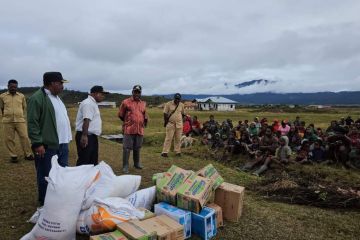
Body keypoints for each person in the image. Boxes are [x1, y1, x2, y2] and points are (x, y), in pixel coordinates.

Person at [27, 72, 72, 205]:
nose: (63, 86)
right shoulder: (37, 98)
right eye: (61, 83)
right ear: (52, 83)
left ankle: (58, 199)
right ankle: (45, 202)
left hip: (62, 143)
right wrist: (37, 143)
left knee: (62, 174)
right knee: (46, 175)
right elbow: (32, 123)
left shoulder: (57, 98)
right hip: (47, 145)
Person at [0, 79, 33, 163]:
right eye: (11, 87)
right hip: (7, 121)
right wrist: (6, 115)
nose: (13, 88)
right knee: (8, 139)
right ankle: (13, 156)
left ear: (17, 87)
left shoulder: (21, 96)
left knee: (25, 137)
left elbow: (23, 107)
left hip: (20, 120)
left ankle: (28, 154)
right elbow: (2, 108)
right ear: (8, 86)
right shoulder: (2, 96)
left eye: (15, 87)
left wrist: (19, 114)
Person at [75, 86, 109, 166]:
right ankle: (80, 178)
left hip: (91, 136)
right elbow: (86, 119)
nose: (103, 96)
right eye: (102, 94)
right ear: (94, 93)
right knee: (84, 162)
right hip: (86, 136)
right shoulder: (88, 103)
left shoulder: (92, 103)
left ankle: (89, 178)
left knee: (92, 161)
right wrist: (84, 136)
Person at [118, 85, 148, 173]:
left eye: (138, 92)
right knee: (127, 148)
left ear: (140, 93)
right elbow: (121, 115)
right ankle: (125, 166)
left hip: (140, 129)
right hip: (129, 129)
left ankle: (137, 163)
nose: (137, 94)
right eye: (135, 92)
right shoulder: (125, 102)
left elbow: (144, 114)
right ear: (132, 92)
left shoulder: (143, 103)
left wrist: (144, 121)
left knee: (137, 147)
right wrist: (128, 122)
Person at [161, 93, 185, 157]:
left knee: (178, 138)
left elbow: (183, 114)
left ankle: (177, 152)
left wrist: (180, 120)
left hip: (179, 124)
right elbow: (165, 114)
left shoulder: (182, 105)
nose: (177, 100)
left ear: (180, 99)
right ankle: (164, 152)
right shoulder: (168, 104)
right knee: (169, 138)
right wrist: (166, 122)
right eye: (176, 99)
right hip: (170, 124)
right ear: (174, 98)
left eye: (178, 99)